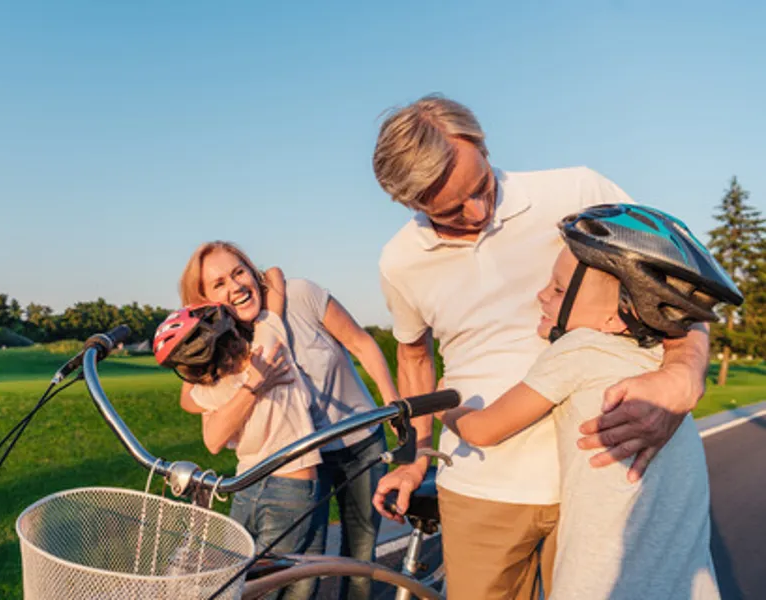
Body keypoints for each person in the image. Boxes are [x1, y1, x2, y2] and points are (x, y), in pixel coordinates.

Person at [370, 95, 713, 599]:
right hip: (479, 489)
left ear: (482, 145)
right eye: (449, 209)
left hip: (595, 491)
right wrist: (417, 454)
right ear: (411, 203)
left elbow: (675, 284)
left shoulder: (578, 189)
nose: (479, 211)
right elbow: (414, 356)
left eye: (481, 187)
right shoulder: (399, 261)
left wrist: (684, 373)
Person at [440, 204, 740, 599]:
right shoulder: (654, 363)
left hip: (603, 582)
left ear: (616, 318)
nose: (542, 295)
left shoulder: (579, 349)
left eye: (560, 289)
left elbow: (484, 429)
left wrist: (443, 405)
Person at [178, 241, 400, 600]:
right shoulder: (225, 339)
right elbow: (189, 396)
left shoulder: (300, 295)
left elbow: (361, 344)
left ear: (253, 271)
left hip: (360, 441)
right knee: (305, 567)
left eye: (238, 272)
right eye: (219, 283)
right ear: (205, 300)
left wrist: (391, 400)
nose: (235, 286)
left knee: (359, 555)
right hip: (305, 458)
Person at [153, 267, 322, 600]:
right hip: (293, 481)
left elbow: (201, 422)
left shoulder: (211, 392)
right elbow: (275, 277)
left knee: (242, 586)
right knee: (279, 584)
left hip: (244, 483)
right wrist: (241, 290)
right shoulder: (267, 344)